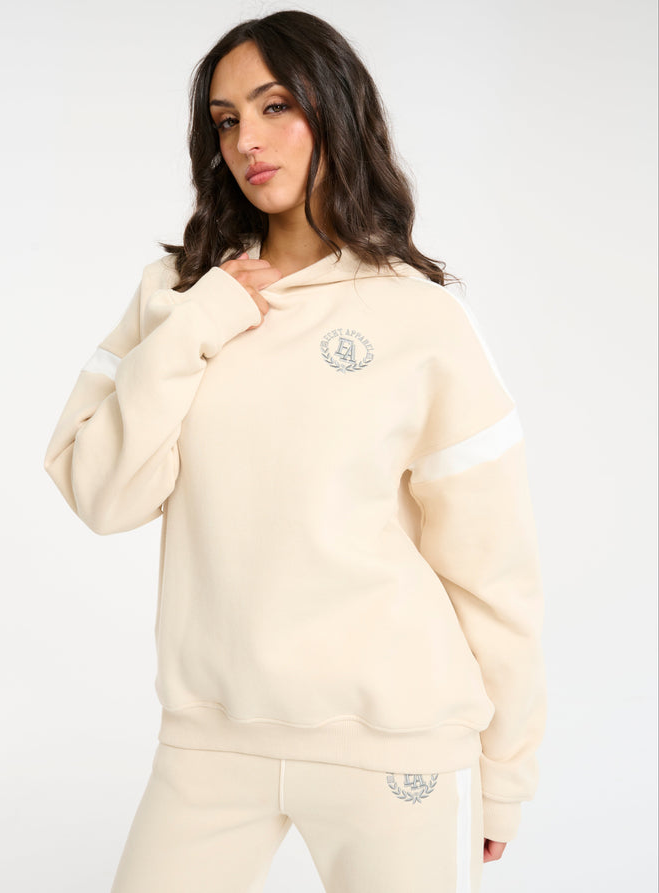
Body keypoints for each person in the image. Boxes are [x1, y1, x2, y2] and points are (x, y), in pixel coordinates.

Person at [43, 10, 546, 893]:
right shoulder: (175, 294)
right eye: (227, 119)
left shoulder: (421, 316)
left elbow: (491, 567)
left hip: (398, 745)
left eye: (276, 106)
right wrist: (200, 320)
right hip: (211, 740)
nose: (248, 140)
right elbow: (102, 493)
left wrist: (505, 772)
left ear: (335, 110)